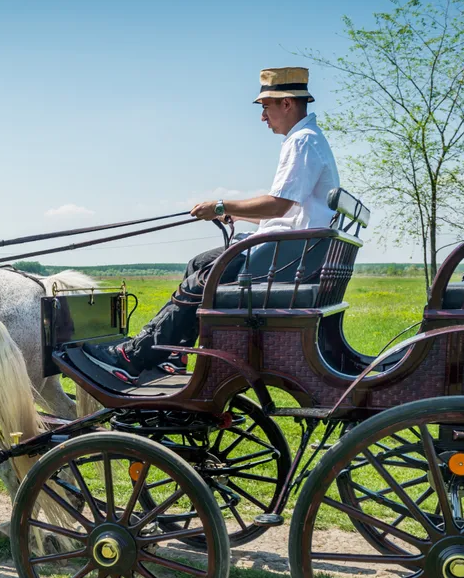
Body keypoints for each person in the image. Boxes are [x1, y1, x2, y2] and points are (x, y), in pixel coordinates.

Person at [85, 67, 340, 382]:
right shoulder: (308, 139)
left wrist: (222, 205)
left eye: (265, 107)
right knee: (200, 262)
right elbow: (288, 211)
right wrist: (232, 214)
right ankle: (174, 355)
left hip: (281, 258)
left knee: (201, 281)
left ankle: (134, 355)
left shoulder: (301, 142)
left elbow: (279, 204)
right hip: (288, 254)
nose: (263, 117)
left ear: (286, 103)